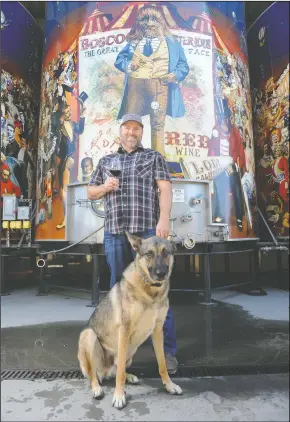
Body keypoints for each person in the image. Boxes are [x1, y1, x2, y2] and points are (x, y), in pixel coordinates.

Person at [88, 113, 178, 374]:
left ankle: (168, 352)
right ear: (120, 132)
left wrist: (164, 219)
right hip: (116, 232)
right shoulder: (107, 161)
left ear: (141, 132)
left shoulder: (153, 157)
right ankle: (121, 353)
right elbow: (90, 191)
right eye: (127, 128)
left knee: (157, 291)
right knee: (120, 293)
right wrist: (105, 186)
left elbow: (165, 188)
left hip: (147, 234)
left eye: (136, 128)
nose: (131, 132)